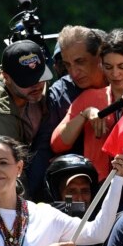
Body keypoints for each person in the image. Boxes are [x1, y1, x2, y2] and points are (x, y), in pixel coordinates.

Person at [27, 26, 107, 198]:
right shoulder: (60, 93)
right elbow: (46, 148)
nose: (74, 72)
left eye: (80, 62)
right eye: (67, 65)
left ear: (100, 55)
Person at [51, 28, 123, 181]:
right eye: (108, 67)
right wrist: (84, 114)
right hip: (100, 187)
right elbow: (57, 144)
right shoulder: (90, 97)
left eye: (122, 66)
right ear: (101, 64)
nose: (115, 74)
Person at [0, 40, 52, 146]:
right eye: (28, 81)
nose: (36, 85)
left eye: (39, 77)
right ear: (6, 77)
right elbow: (12, 156)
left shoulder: (33, 86)